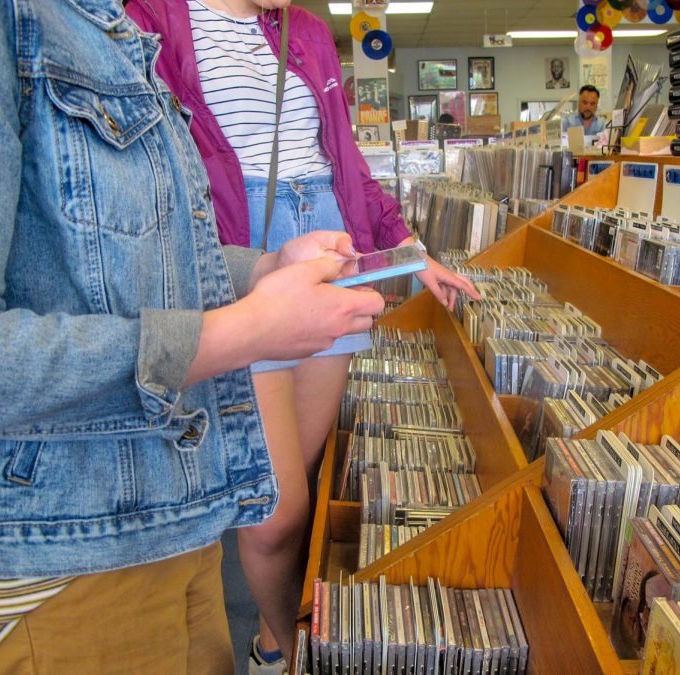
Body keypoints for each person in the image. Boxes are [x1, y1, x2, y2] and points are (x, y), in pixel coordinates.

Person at [0, 1, 385, 673]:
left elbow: (145, 260)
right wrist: (246, 329)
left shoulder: (102, 24)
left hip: (169, 524)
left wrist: (261, 269)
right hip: (62, 562)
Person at [124, 1, 480, 672]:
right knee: (276, 508)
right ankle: (290, 654)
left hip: (327, 238)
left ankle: (268, 635)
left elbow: (344, 161)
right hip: (237, 245)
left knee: (305, 481)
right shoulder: (152, 13)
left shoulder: (306, 30)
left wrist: (408, 246)